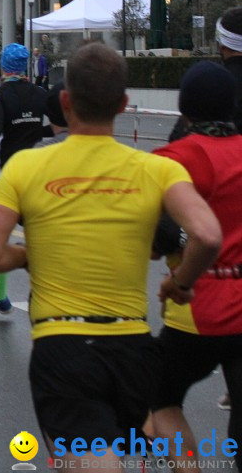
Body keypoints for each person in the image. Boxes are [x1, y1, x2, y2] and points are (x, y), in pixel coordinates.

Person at [0, 42, 222, 470]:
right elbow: (206, 233)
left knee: (90, 462)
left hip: (63, 344)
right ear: (124, 104)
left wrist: (31, 255)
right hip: (135, 348)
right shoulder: (157, 169)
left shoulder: (26, 167)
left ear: (65, 101)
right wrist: (180, 285)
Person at [149, 62, 242, 465]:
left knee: (158, 398)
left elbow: (160, 241)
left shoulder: (171, 159)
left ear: (183, 108)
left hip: (198, 307)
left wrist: (179, 279)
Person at [0, 43, 48, 314]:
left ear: (3, 66)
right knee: (36, 234)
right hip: (35, 172)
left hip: (5, 174)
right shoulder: (41, 93)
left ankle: (2, 295)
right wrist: (37, 134)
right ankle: (44, 289)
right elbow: (57, 123)